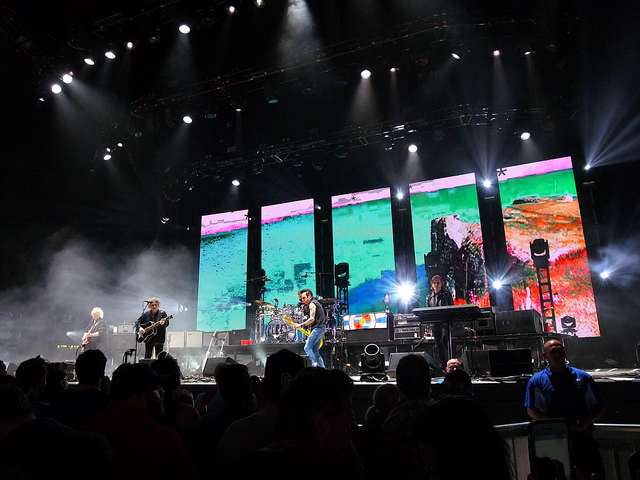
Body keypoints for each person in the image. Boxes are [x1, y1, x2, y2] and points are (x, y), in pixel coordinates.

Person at [85, 362, 196, 480]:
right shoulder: (164, 439)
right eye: (156, 388)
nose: (162, 392)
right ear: (137, 396)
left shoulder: (91, 432)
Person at [525, 339, 606, 479]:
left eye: (560, 350)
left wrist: (585, 422)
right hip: (553, 442)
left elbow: (599, 406)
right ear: (545, 355)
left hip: (584, 441)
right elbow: (531, 409)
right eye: (553, 351)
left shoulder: (583, 377)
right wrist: (555, 426)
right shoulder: (537, 381)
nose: (557, 353)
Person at [425, 274, 454, 370]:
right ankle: (443, 364)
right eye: (434, 283)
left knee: (445, 342)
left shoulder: (446, 294)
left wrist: (450, 321)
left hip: (445, 323)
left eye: (438, 282)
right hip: (435, 324)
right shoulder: (429, 296)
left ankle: (450, 364)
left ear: (441, 283)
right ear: (432, 285)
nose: (436, 284)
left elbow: (452, 308)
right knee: (439, 345)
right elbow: (428, 311)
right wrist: (429, 326)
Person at [294, 288, 327, 368]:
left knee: (307, 348)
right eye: (302, 298)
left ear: (309, 296)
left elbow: (312, 319)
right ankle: (323, 369)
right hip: (321, 328)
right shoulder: (315, 303)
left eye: (304, 298)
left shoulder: (312, 304)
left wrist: (301, 325)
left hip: (318, 328)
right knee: (315, 351)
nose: (303, 300)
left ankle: (311, 368)